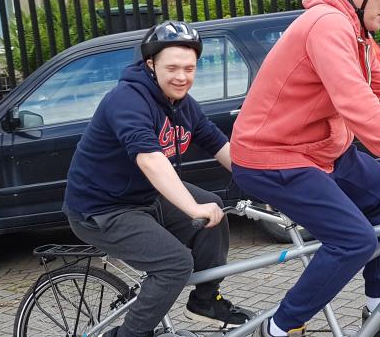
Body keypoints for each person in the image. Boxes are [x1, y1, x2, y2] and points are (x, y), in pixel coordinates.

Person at [229, 0, 380, 334]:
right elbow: (355, 102)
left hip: (320, 151)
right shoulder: (328, 25)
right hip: (273, 156)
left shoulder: (355, 33)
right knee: (353, 240)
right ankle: (279, 327)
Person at [63, 20, 252, 337]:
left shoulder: (182, 104)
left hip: (142, 196)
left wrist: (275, 182)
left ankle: (205, 300)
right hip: (102, 209)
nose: (182, 77)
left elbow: (221, 146)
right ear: (151, 64)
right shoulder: (127, 100)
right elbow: (150, 160)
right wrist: (193, 209)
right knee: (174, 263)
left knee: (213, 206)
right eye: (173, 68)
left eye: (189, 68)